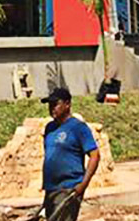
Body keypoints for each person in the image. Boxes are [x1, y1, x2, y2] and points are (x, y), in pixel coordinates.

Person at [41, 87, 100, 221]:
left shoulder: (78, 127)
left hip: (69, 187)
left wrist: (83, 184)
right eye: (50, 105)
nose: (52, 108)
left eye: (55, 104)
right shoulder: (49, 128)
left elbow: (95, 155)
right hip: (51, 188)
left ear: (67, 104)